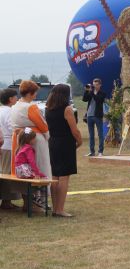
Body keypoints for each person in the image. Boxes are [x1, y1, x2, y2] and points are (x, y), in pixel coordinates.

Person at [45, 84, 82, 218]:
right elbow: (74, 130)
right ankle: (60, 209)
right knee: (64, 176)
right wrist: (79, 141)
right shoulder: (67, 109)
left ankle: (55, 208)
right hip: (65, 143)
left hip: (53, 142)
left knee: (55, 176)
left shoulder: (47, 108)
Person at [10, 81, 52, 198]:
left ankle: (28, 198)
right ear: (29, 93)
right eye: (35, 92)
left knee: (24, 167)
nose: (36, 95)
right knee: (39, 165)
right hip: (34, 139)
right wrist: (47, 136)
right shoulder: (30, 107)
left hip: (19, 138)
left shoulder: (14, 106)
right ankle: (40, 197)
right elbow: (42, 125)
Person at [14, 128, 48, 209]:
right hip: (24, 170)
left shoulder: (21, 147)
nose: (35, 140)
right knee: (44, 178)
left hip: (19, 171)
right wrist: (37, 173)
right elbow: (32, 162)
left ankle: (35, 198)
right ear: (29, 139)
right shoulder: (28, 148)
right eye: (34, 138)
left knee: (40, 177)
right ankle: (37, 198)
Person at [0, 88, 22, 210]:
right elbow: (12, 128)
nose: (17, 99)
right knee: (7, 173)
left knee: (3, 172)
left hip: (3, 145)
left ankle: (6, 200)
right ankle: (6, 201)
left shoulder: (1, 110)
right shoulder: (9, 111)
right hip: (8, 145)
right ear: (10, 99)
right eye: (15, 97)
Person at [82, 77, 107, 156]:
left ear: (100, 85)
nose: (94, 86)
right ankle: (92, 152)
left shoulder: (102, 93)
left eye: (96, 85)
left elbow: (98, 100)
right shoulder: (91, 92)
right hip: (89, 115)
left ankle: (100, 151)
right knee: (91, 135)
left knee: (100, 134)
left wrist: (92, 93)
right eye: (94, 84)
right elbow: (84, 99)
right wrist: (86, 91)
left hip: (97, 116)